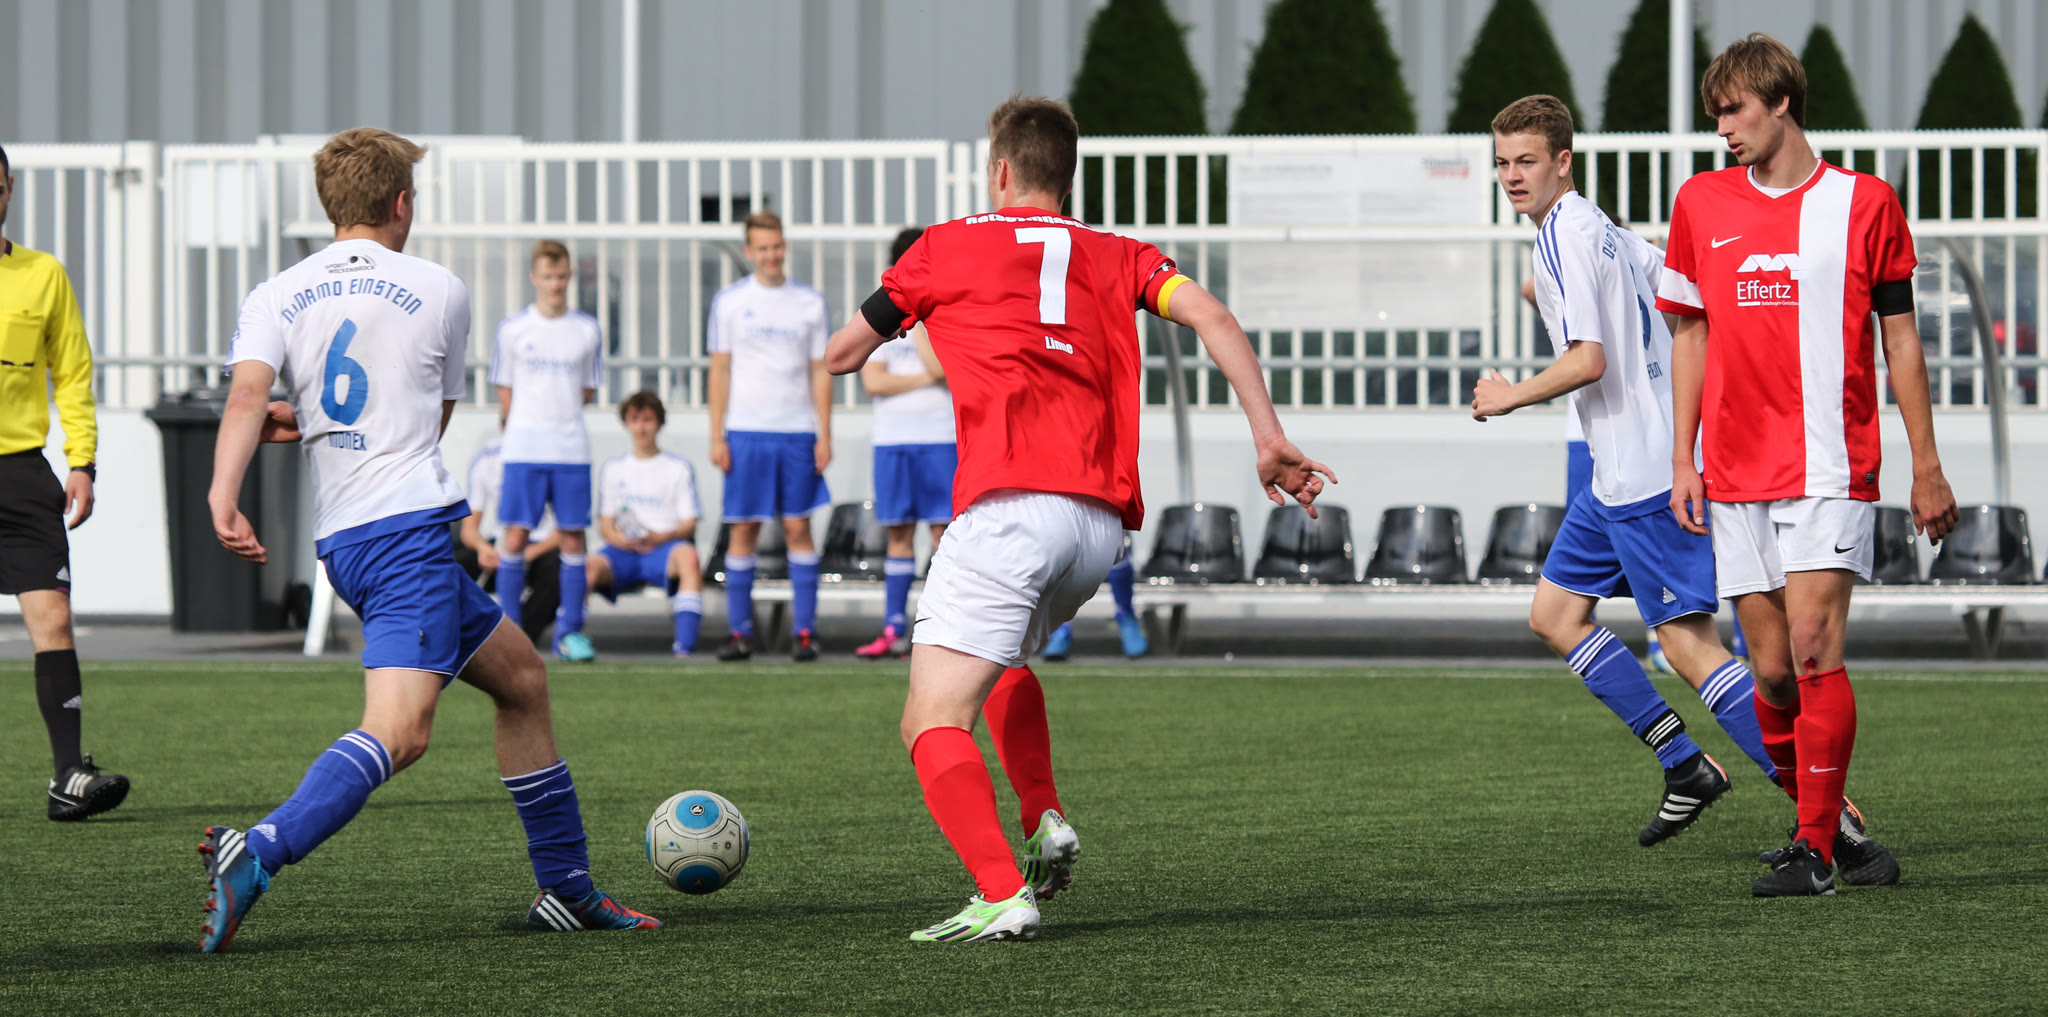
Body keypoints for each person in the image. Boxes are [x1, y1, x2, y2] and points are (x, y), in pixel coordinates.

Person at [824, 96, 1332, 942]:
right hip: (1098, 529)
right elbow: (1213, 316)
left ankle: (1000, 890)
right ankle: (1042, 815)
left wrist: (920, 308)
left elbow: (843, 353)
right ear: (1066, 175)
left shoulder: (943, 245)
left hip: (1008, 509)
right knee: (1001, 661)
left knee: (929, 720)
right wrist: (1269, 437)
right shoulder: (1121, 253)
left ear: (999, 170)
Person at [201, 128, 659, 952]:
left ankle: (565, 887)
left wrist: (223, 493)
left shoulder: (277, 291)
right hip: (406, 534)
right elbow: (429, 417)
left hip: (349, 539)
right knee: (402, 730)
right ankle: (261, 847)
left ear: (330, 204)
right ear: (402, 202)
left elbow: (245, 400)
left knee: (522, 679)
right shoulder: (440, 287)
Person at [1661, 36, 1957, 896]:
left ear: (1781, 101)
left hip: (1831, 462)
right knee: (1772, 671)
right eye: (1716, 113)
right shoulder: (1699, 202)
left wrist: (1927, 464)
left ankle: (1815, 850)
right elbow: (1689, 335)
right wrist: (1683, 457)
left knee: (1815, 647)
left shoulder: (1866, 203)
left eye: (1734, 109)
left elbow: (1901, 341)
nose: (1723, 128)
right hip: (1733, 469)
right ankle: (1840, 835)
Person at [1474, 94, 1781, 850]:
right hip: (1614, 481)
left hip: (1644, 475)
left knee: (1689, 647)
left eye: (1527, 161)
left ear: (1563, 162)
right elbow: (1679, 300)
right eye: (1502, 163)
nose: (1512, 176)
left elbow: (1589, 360)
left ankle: (1825, 810)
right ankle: (1686, 765)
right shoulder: (1603, 229)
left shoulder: (1562, 235)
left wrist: (1511, 395)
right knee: (1554, 615)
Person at [0, 142, 129, 821]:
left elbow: (72, 374)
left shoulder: (43, 273)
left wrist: (83, 460)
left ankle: (68, 776)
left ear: (9, 189)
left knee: (53, 617)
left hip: (23, 474)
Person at [707, 210, 833, 662]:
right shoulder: (728, 302)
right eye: (762, 248)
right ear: (749, 251)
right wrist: (717, 434)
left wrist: (824, 433)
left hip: (796, 431)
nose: (771, 255)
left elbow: (821, 371)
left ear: (785, 246)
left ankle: (805, 632)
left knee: (799, 527)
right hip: (745, 431)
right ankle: (740, 633)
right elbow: (719, 369)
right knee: (743, 529)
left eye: (777, 246)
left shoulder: (809, 302)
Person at [491, 240, 604, 662]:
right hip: (524, 448)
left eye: (561, 276)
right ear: (534, 278)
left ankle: (569, 634)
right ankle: (510, 635)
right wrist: (524, 425)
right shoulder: (512, 329)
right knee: (515, 535)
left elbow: (587, 389)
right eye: (548, 276)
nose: (555, 284)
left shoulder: (587, 330)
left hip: (571, 449)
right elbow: (504, 388)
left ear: (569, 277)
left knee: (573, 537)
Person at [854, 227, 954, 660]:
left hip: (941, 438)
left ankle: (943, 629)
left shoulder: (944, 312)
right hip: (893, 441)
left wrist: (923, 324)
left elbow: (945, 369)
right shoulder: (880, 311)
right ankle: (893, 628)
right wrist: (926, 378)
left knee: (943, 535)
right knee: (898, 533)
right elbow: (873, 381)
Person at [589, 391, 704, 658]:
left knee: (689, 558)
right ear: (626, 423)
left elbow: (689, 524)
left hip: (664, 549)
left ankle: (684, 648)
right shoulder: (613, 468)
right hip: (623, 552)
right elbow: (605, 526)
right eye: (635, 420)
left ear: (659, 423)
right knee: (585, 568)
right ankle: (569, 639)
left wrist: (658, 537)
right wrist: (620, 539)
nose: (641, 428)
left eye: (648, 420)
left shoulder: (678, 467)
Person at [454, 417, 563, 648]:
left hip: (538, 546)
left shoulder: (554, 459)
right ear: (503, 428)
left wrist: (530, 553)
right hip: (501, 545)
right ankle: (457, 635)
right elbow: (469, 529)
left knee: (559, 570)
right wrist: (484, 549)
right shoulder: (486, 459)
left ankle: (519, 640)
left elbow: (566, 530)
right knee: (451, 567)